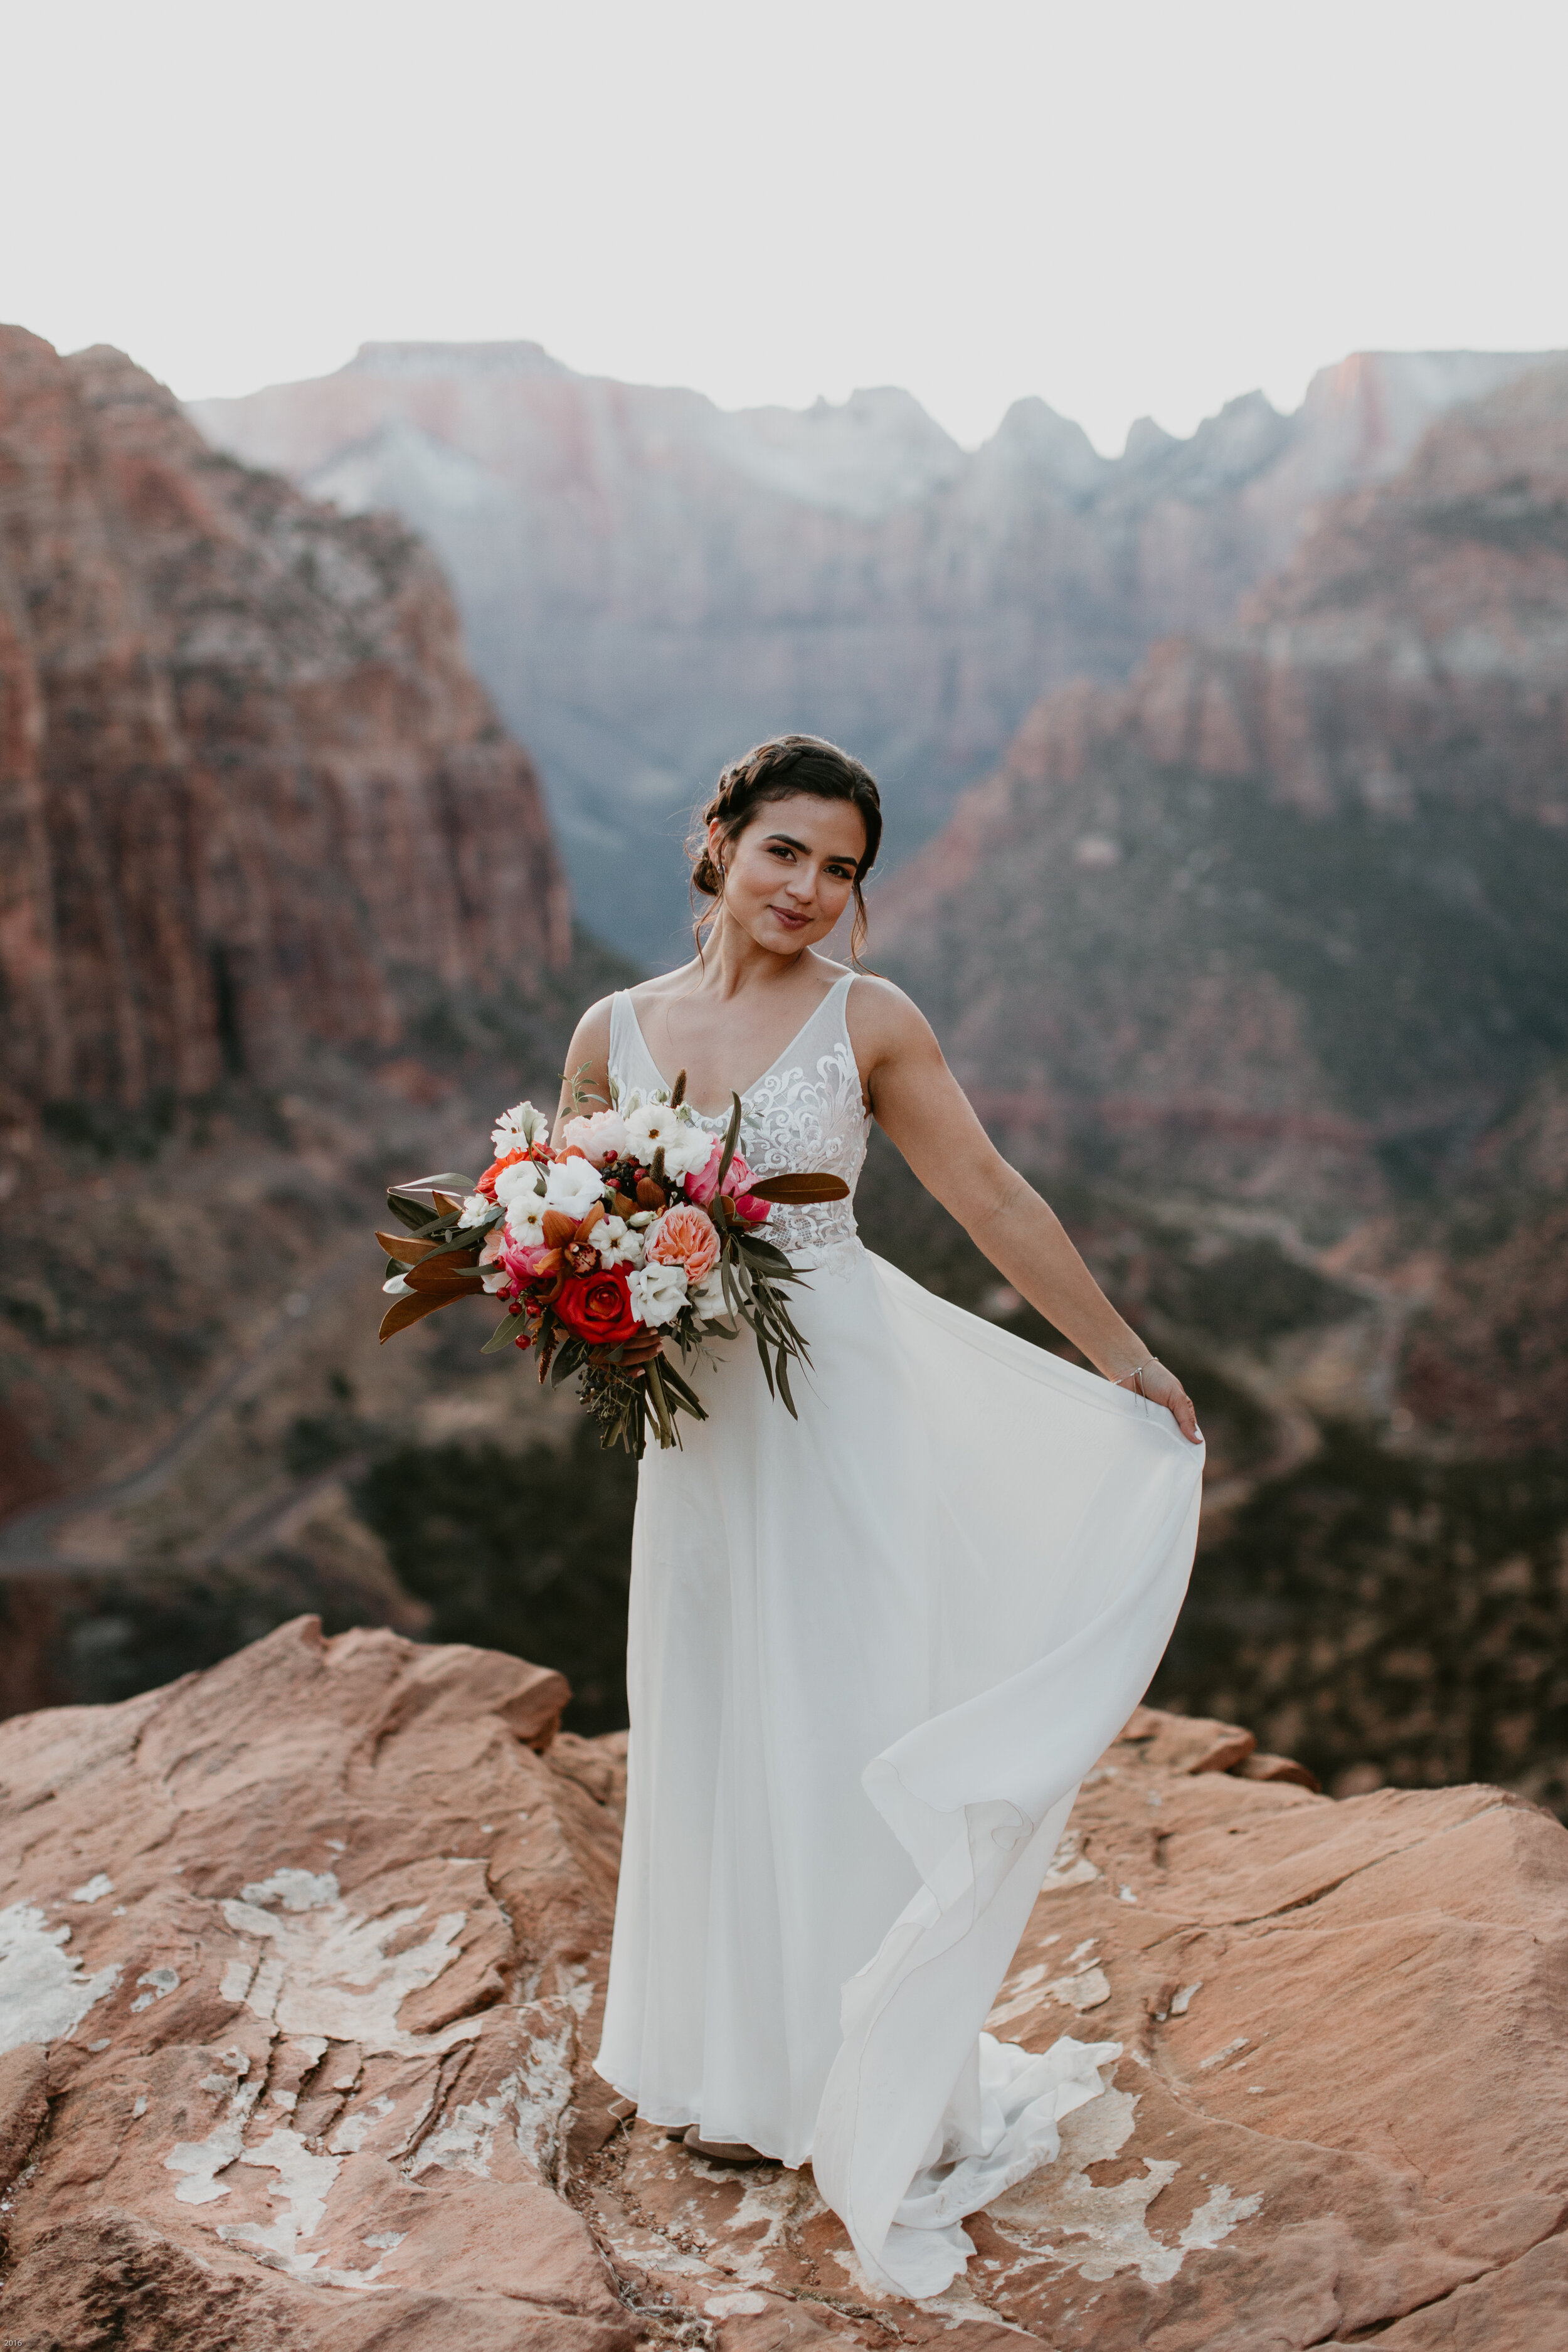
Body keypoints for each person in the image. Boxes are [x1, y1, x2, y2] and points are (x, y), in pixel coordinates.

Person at [556, 734, 1204, 2298]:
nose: (810, 890)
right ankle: (731, 2073)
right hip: (695, 1429)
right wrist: (584, 1298)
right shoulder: (611, 1029)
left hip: (836, 1410)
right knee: (712, 1713)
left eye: (841, 868)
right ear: (717, 841)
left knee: (838, 1714)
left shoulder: (870, 1019)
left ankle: (853, 2083)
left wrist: (1117, 1356)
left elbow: (987, 1194)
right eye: (786, 851)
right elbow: (568, 1210)